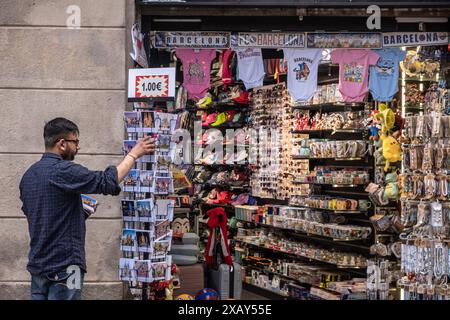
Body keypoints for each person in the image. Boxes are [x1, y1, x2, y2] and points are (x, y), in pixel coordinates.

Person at [19, 117, 155, 300]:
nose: (78, 147)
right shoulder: (64, 170)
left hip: (38, 266)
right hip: (66, 266)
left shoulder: (29, 176)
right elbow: (107, 181)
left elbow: (41, 215)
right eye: (75, 142)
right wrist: (133, 155)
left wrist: (80, 212)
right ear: (61, 143)